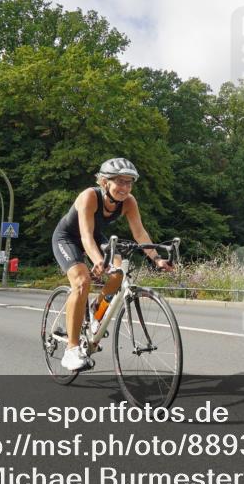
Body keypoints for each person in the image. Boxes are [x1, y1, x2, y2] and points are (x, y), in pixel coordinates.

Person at [51, 158, 173, 371]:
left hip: (96, 237)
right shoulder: (89, 196)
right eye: (120, 182)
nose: (125, 188)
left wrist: (156, 258)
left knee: (119, 272)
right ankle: (71, 350)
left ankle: (96, 310)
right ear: (105, 182)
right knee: (81, 281)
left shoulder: (129, 202)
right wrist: (98, 261)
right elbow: (86, 237)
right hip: (68, 238)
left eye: (129, 182)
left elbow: (139, 233)